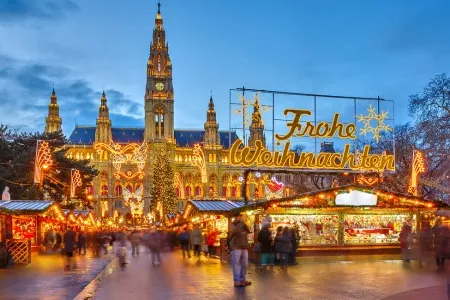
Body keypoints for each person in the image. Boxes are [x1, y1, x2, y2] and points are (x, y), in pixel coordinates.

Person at [230, 212, 251, 287]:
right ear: (237, 217)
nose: (241, 218)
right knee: (236, 264)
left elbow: (249, 231)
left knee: (245, 264)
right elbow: (234, 232)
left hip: (244, 246)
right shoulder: (233, 224)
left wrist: (245, 224)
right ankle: (237, 281)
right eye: (240, 216)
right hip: (236, 247)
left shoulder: (243, 224)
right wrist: (240, 224)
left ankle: (243, 279)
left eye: (242, 216)